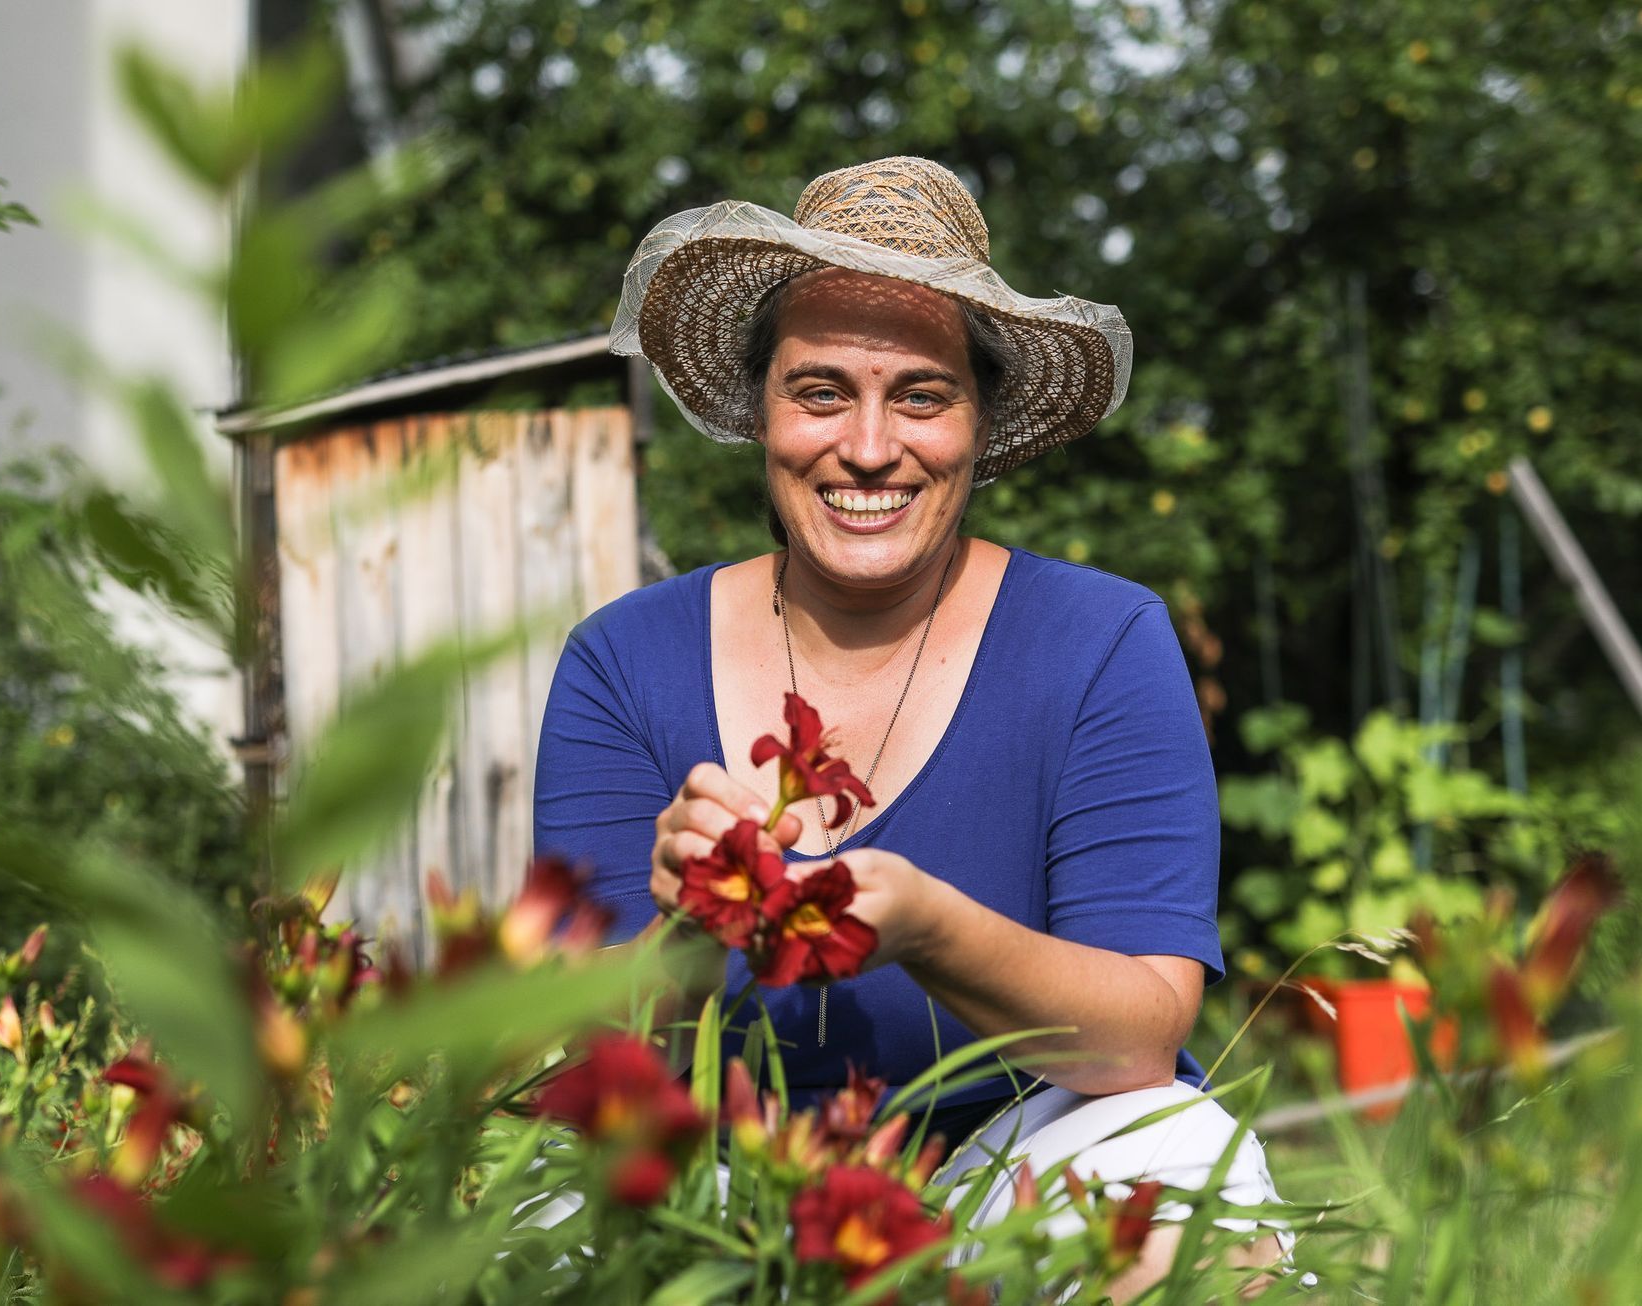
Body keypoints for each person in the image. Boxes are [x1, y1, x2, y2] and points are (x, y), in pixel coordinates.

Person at [532, 157, 1290, 1291]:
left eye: (922, 394)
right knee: (552, 1191)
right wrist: (694, 924)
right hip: (738, 1178)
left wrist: (931, 928)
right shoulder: (622, 658)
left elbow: (1141, 1039)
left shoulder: (1099, 640)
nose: (871, 446)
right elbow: (573, 1051)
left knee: (1179, 1162)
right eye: (821, 390)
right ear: (761, 413)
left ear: (978, 423)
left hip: (1015, 1168)